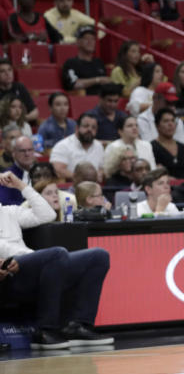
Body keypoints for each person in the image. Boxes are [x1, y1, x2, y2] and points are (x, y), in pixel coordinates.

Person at [0, 170, 113, 349]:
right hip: (9, 275)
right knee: (56, 254)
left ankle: (78, 325)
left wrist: (21, 186)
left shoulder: (8, 212)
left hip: (34, 264)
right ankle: (45, 330)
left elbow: (47, 215)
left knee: (98, 256)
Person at [50, 114, 104, 181]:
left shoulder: (99, 146)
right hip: (70, 186)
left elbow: (101, 168)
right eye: (86, 126)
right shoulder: (63, 146)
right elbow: (58, 170)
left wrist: (99, 174)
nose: (90, 129)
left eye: (93, 127)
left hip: (94, 187)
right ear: (77, 128)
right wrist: (81, 179)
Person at [62, 26, 112, 96]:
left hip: (102, 99)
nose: (90, 42)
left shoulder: (99, 62)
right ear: (78, 42)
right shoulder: (71, 63)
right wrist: (98, 80)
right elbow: (74, 84)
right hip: (83, 100)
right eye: (86, 38)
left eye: (93, 39)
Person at [151, 108, 184, 178]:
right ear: (157, 125)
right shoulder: (151, 147)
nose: (170, 124)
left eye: (172, 121)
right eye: (166, 121)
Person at [0, 136, 37, 205]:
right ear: (13, 153)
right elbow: (4, 202)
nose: (27, 154)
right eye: (22, 151)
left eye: (30, 150)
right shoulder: (6, 176)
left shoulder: (43, 171)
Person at [0, 59, 38, 124]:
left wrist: (20, 119)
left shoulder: (20, 87)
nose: (7, 73)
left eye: (10, 70)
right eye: (2, 71)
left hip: (21, 124)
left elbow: (35, 112)